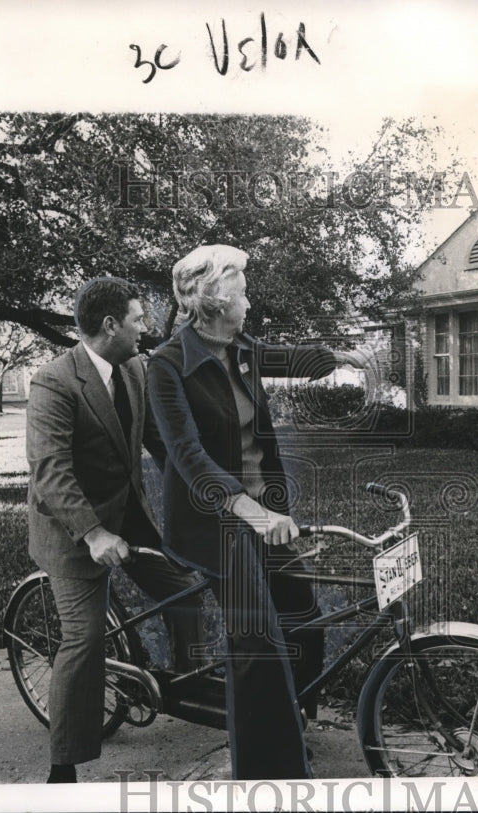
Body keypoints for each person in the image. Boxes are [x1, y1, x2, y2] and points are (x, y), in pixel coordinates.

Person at [147, 245, 369, 779]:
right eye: (242, 290)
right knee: (257, 641)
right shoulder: (168, 365)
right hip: (212, 521)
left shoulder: (241, 347)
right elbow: (188, 456)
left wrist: (347, 356)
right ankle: (269, 773)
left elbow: (292, 359)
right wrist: (249, 510)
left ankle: (287, 721)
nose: (250, 298)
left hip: (261, 512)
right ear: (215, 299)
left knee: (303, 618)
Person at [26, 276, 204, 784]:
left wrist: (204, 490)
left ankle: (180, 685)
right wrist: (94, 535)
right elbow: (51, 471)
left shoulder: (133, 369)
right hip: (73, 529)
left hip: (127, 514)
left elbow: (155, 439)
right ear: (111, 325)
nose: (146, 327)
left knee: (185, 592)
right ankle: (64, 765)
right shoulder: (54, 382)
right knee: (84, 641)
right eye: (139, 319)